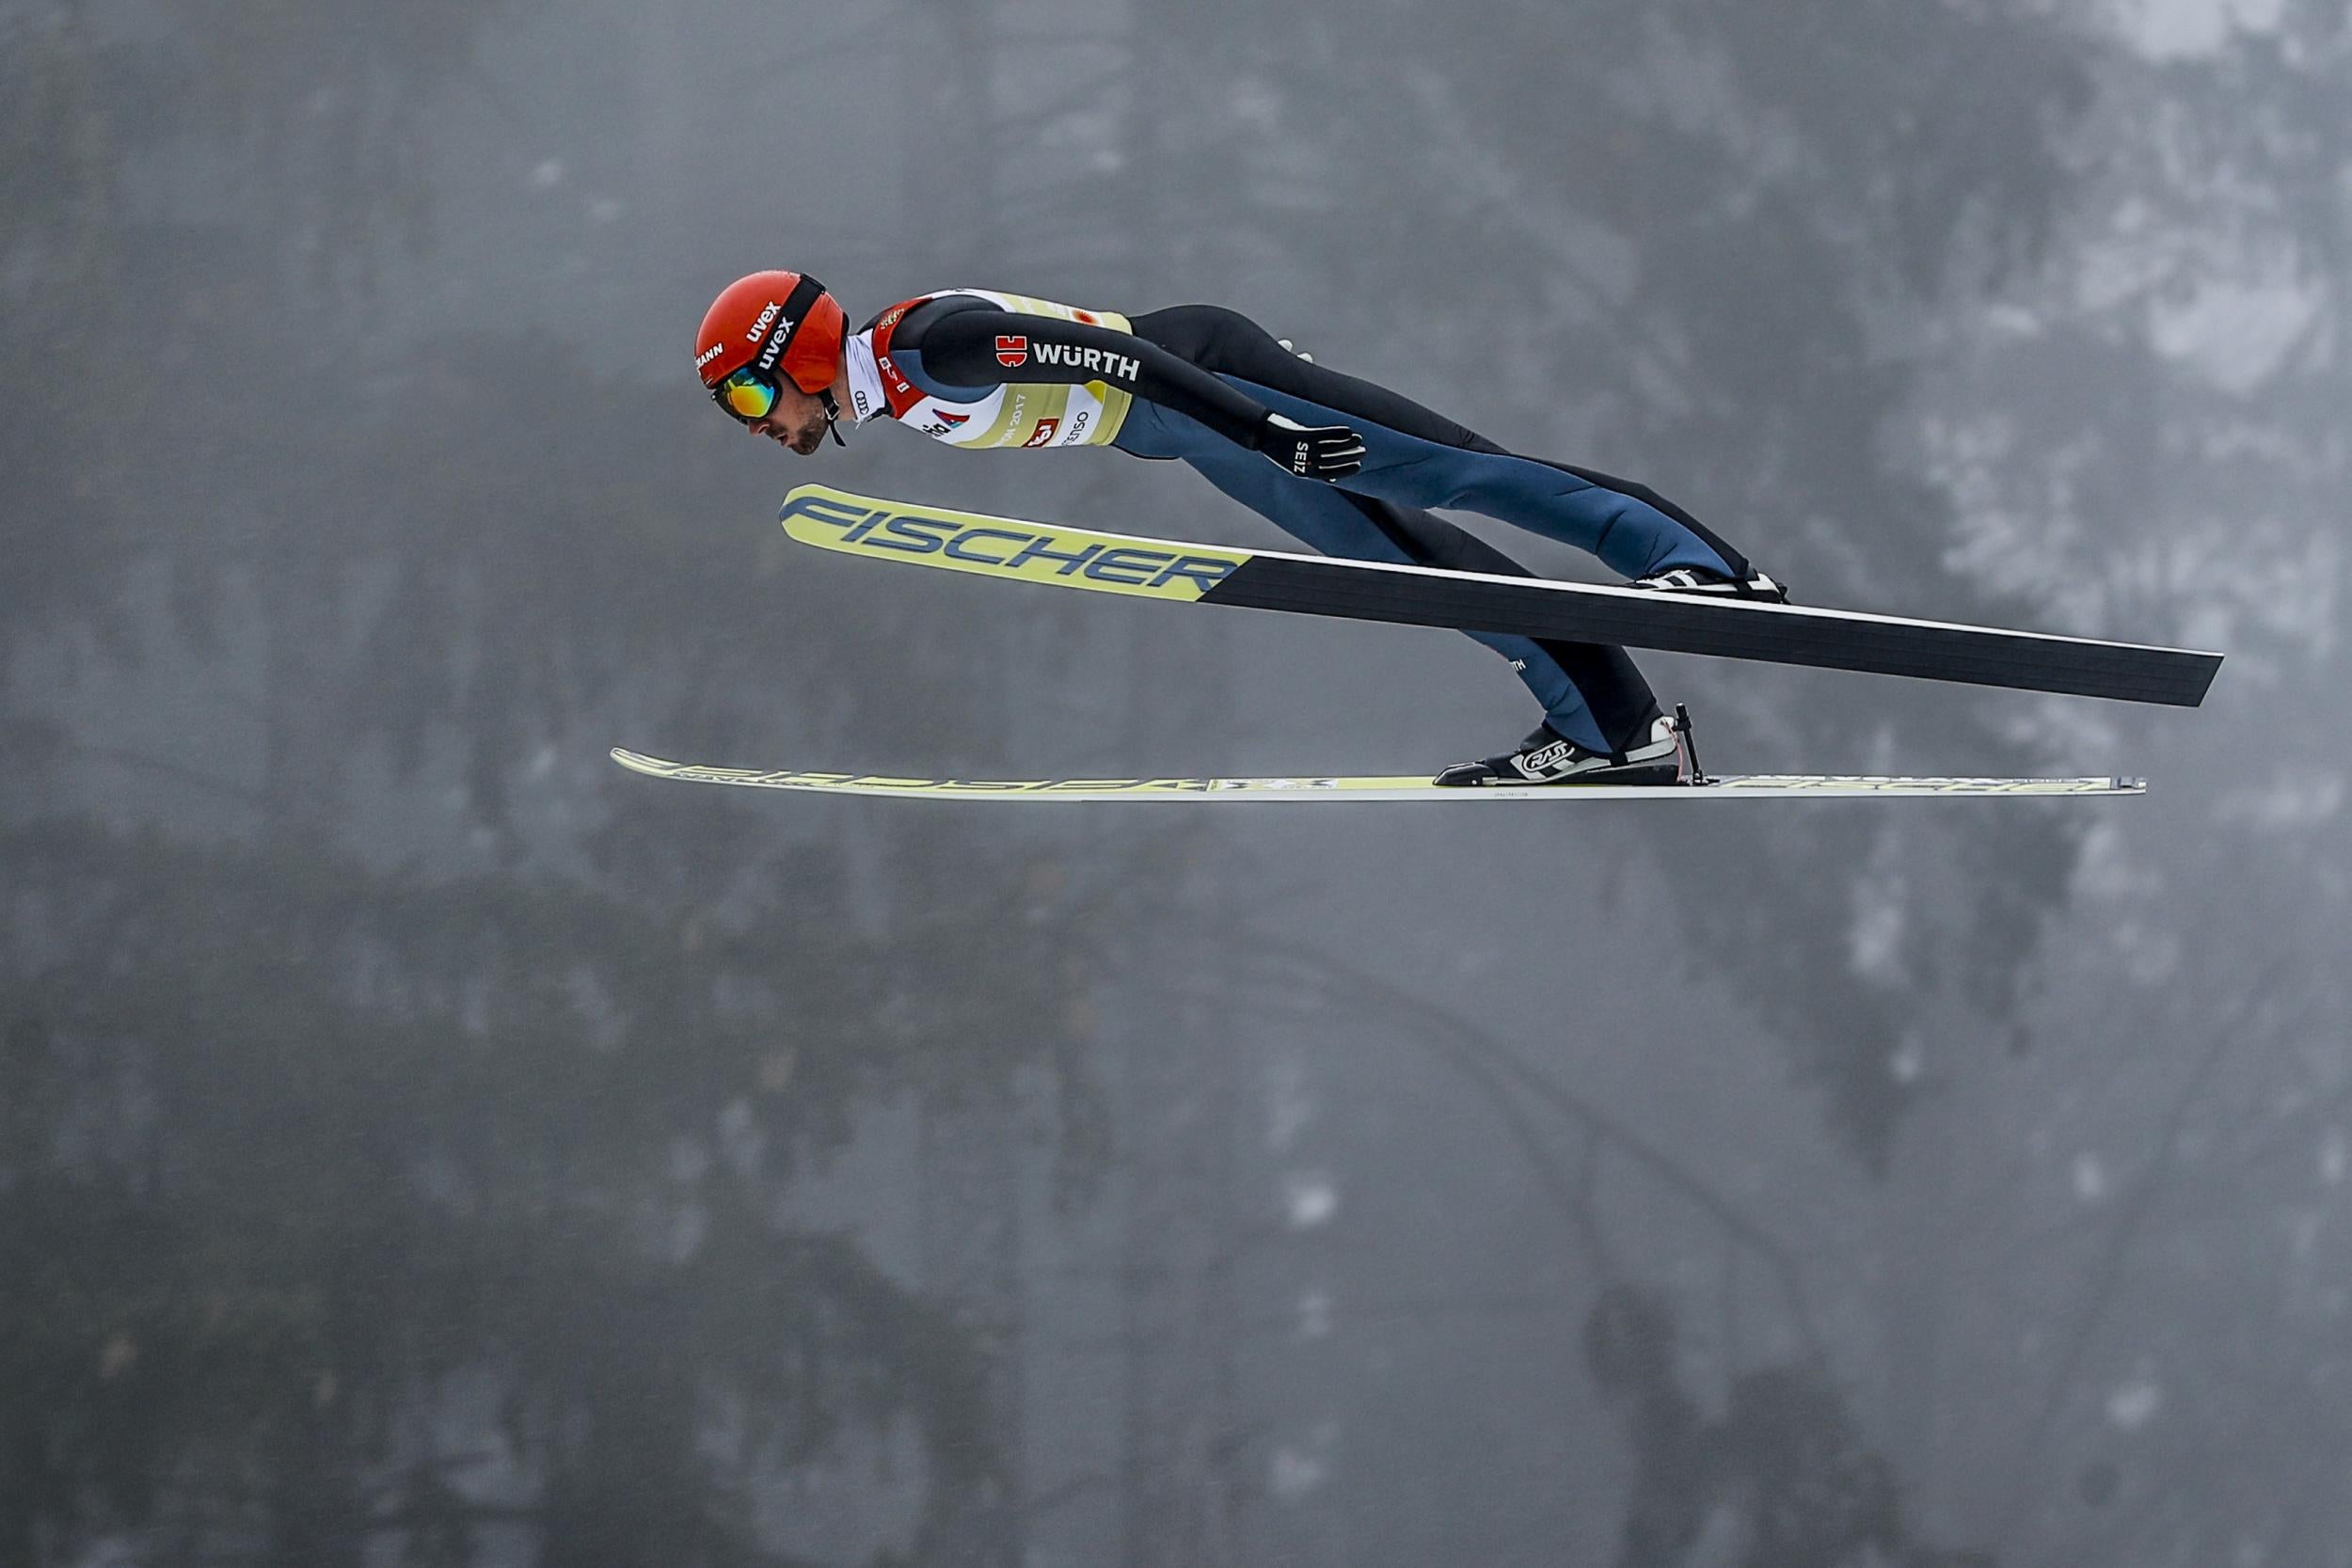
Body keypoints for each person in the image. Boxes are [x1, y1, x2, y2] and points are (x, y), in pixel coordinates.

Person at [693, 270, 1785, 785]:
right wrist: (1238, 441)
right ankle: (1611, 728)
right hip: (1193, 429)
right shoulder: (893, 384)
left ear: (794, 353)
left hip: (1212, 377)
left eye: (750, 397)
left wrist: (1264, 424)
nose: (758, 425)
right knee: (1404, 561)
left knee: (1457, 472)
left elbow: (1120, 359)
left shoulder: (935, 344)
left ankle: (1699, 563)